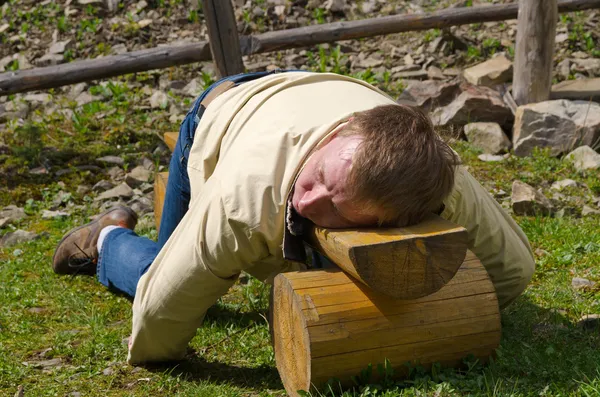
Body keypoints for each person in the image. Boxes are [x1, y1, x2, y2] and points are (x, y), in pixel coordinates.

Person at [52, 71, 535, 365]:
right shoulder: (245, 193)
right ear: (342, 133)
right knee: (159, 269)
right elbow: (158, 315)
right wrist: (158, 357)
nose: (309, 202)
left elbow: (512, 272)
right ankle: (107, 237)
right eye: (321, 176)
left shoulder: (435, 173)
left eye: (339, 209)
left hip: (318, 94)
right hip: (225, 110)